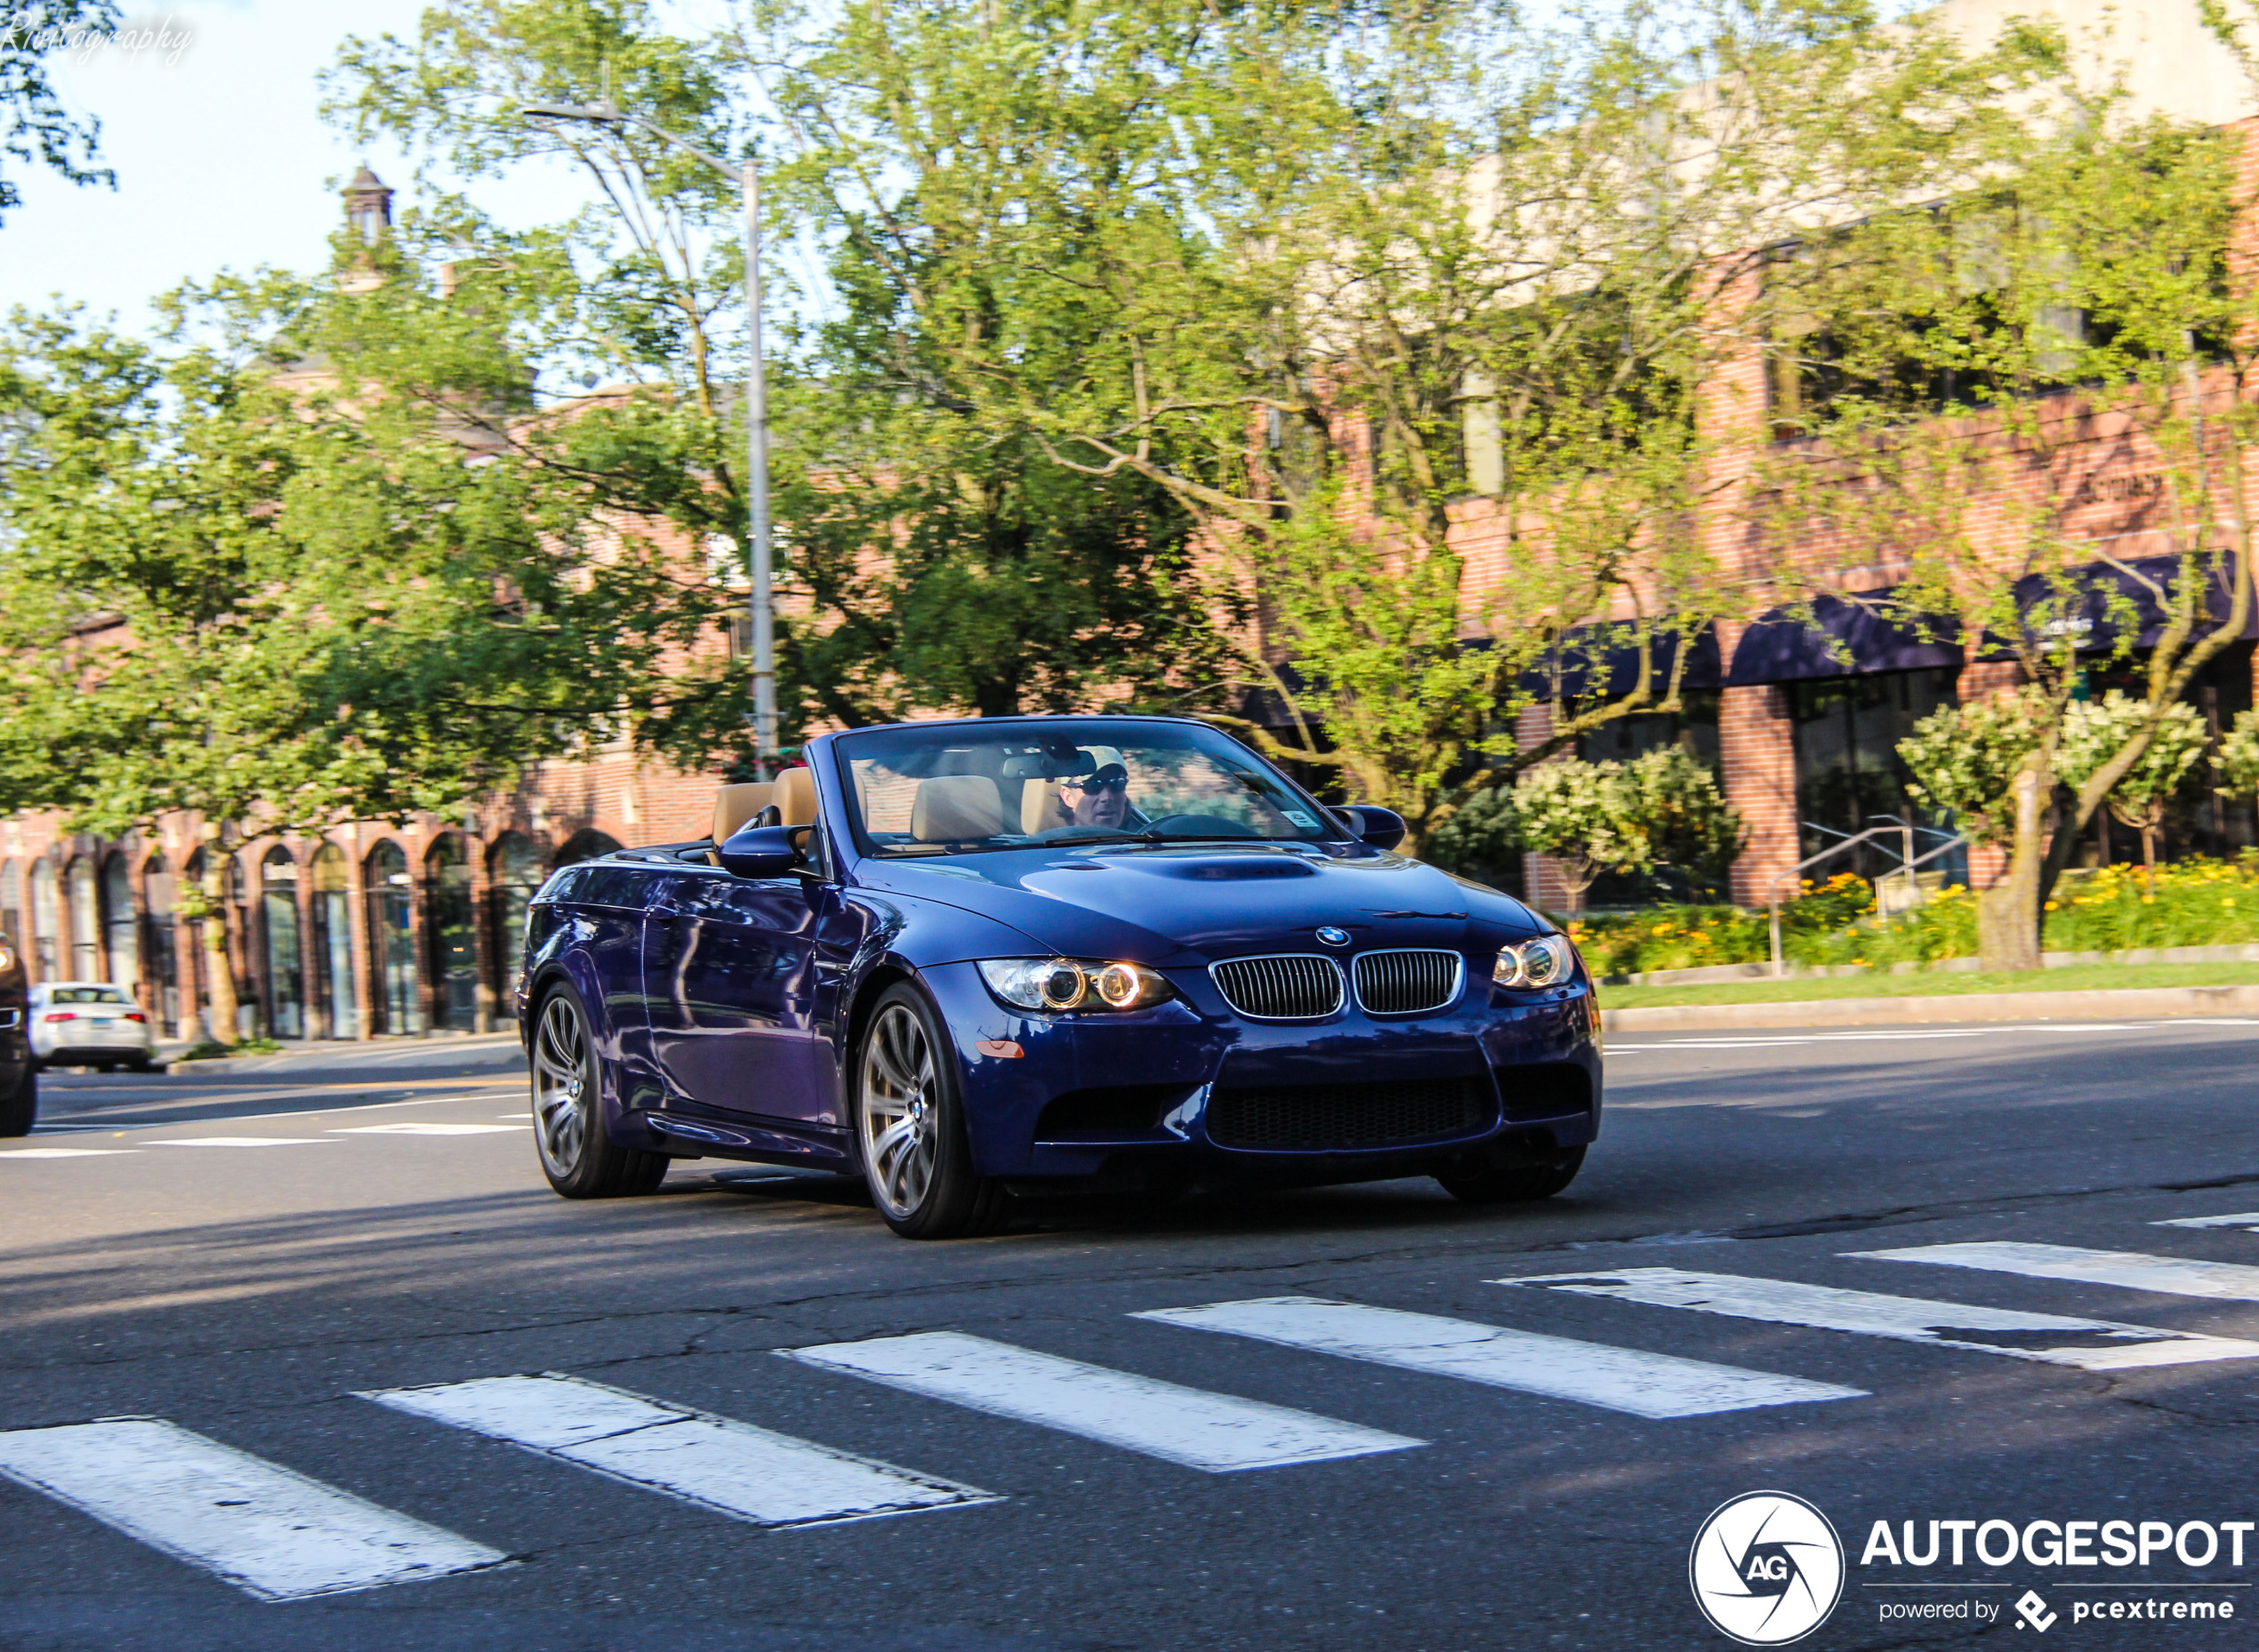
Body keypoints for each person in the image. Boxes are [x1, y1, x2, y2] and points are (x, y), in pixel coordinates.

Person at [1057, 760, 1133, 830]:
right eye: (1092, 786)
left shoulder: (1139, 841)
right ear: (1068, 797)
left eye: (1117, 784)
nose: (1107, 797)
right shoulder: (1053, 843)